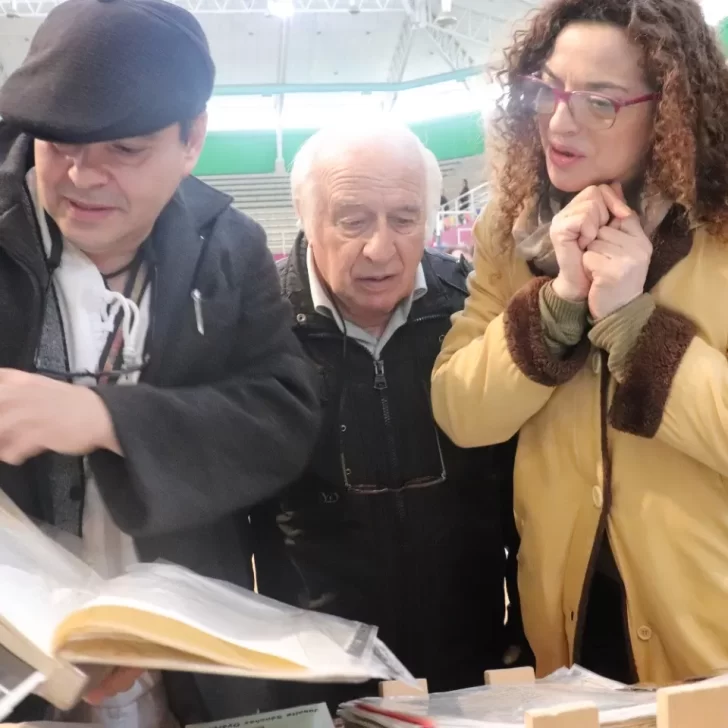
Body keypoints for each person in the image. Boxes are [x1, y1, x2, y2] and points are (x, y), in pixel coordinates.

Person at [0, 0, 320, 722]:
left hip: (179, 651)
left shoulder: (230, 246)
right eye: (59, 145)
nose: (83, 177)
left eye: (125, 150)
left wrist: (106, 418)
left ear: (193, 139)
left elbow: (282, 416)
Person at [431, 0, 728, 686]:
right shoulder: (510, 233)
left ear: (670, 111)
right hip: (566, 629)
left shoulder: (717, 233)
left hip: (709, 637)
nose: (559, 122)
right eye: (548, 89)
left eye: (600, 101)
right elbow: (459, 409)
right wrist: (558, 305)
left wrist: (635, 327)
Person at [251, 118, 528, 713]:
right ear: (306, 219)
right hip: (318, 682)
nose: (381, 248)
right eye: (353, 221)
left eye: (405, 219)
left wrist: (522, 643)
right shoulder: (256, 333)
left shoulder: (475, 321)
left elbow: (523, 504)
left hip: (472, 671)